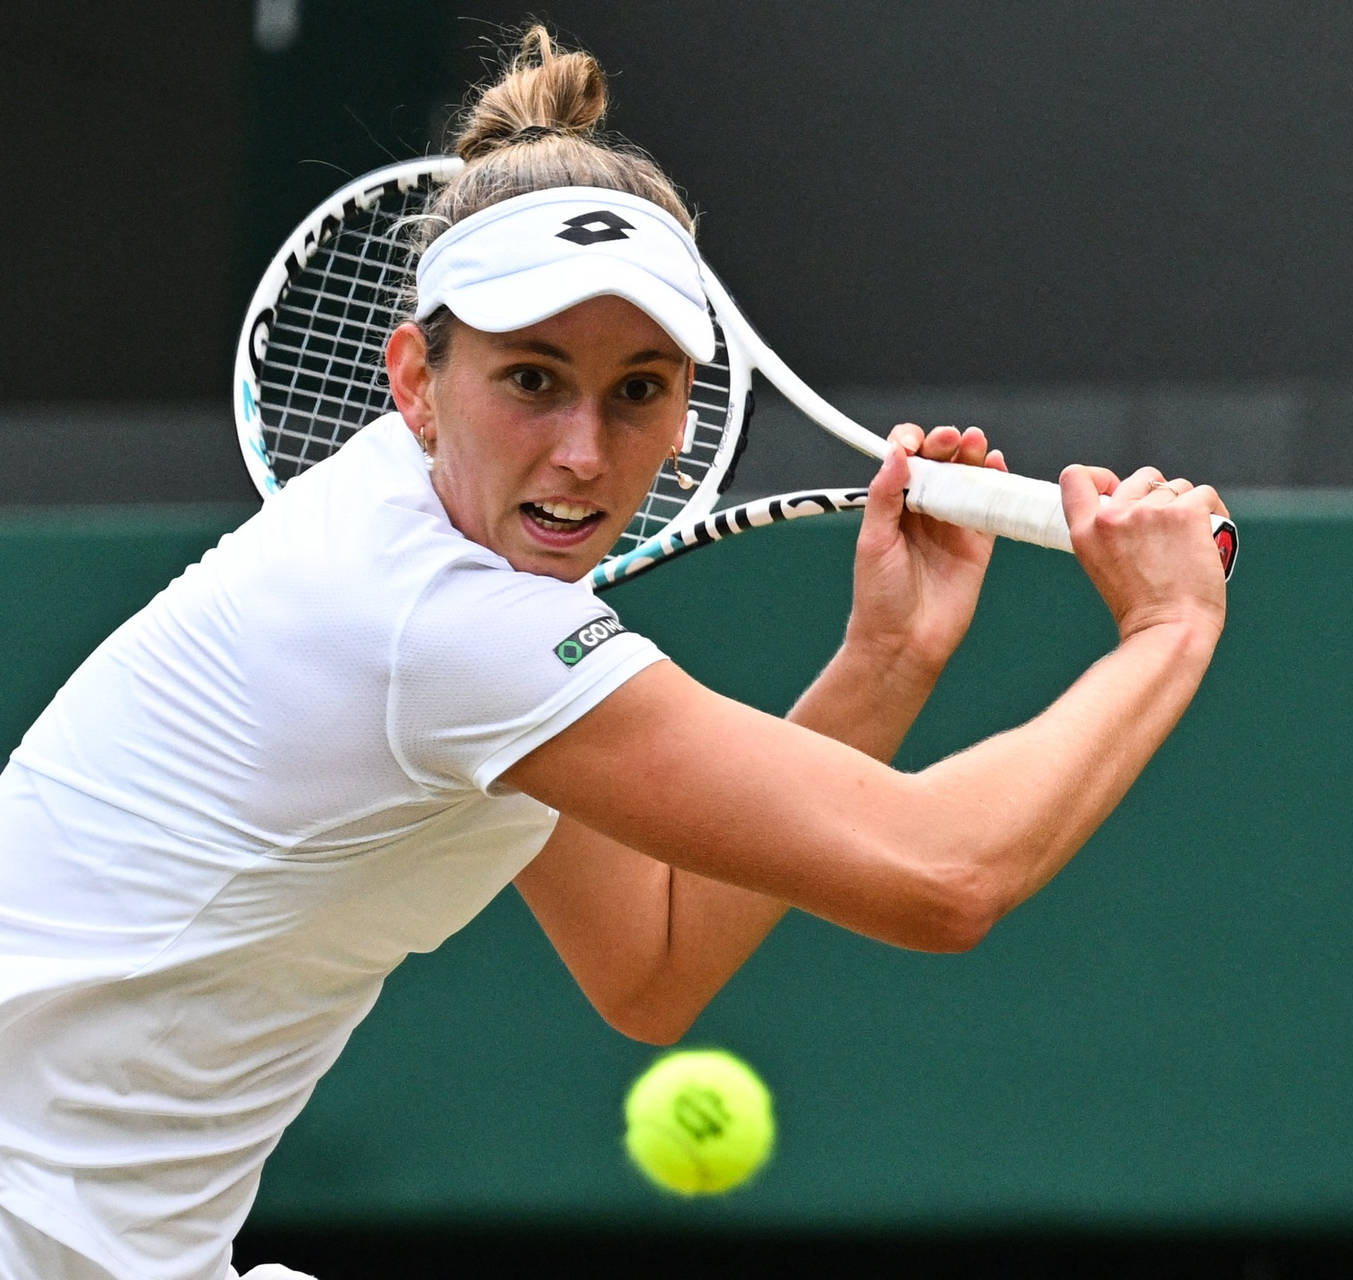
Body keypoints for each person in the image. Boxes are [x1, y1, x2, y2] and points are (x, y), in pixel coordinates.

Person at [0, 27, 1230, 1280]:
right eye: (533, 379)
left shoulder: (440, 579)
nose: (586, 451)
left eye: (639, 389)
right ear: (419, 377)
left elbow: (652, 961)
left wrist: (887, 660)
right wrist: (1169, 627)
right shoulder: (446, 626)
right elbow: (944, 876)